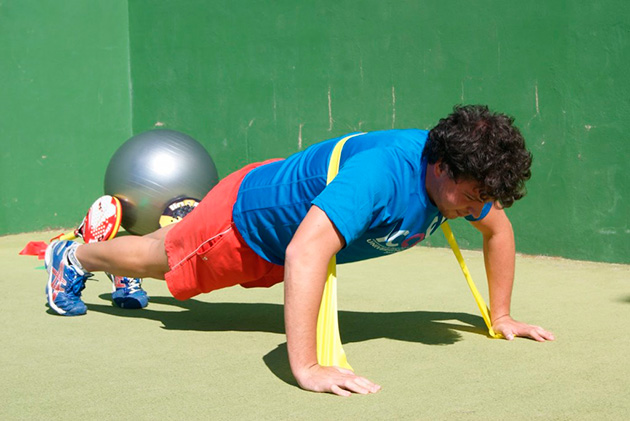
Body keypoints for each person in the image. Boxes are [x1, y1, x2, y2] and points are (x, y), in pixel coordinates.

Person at [45, 105, 555, 396]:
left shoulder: (463, 180)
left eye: (483, 200)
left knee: (167, 245)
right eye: (472, 197)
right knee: (162, 263)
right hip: (248, 225)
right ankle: (75, 257)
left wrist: (502, 315)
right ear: (441, 166)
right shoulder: (380, 177)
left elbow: (499, 232)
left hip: (276, 202)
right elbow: (304, 254)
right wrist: (307, 367)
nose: (476, 210)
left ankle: (153, 238)